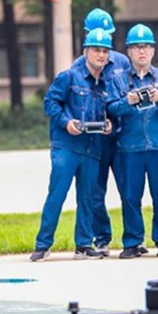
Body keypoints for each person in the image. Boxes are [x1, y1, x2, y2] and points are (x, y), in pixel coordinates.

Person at [30, 29, 114, 262]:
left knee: (88, 197)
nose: (101, 55)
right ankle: (43, 244)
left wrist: (108, 125)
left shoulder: (104, 84)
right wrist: (66, 122)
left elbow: (107, 111)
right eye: (96, 50)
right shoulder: (68, 77)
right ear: (85, 51)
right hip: (66, 146)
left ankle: (84, 245)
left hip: (92, 148)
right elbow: (50, 103)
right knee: (57, 195)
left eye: (105, 51)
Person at [106, 24, 158, 259]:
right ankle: (132, 241)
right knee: (130, 197)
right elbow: (110, 108)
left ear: (153, 51)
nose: (141, 52)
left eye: (146, 46)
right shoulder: (118, 81)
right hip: (130, 147)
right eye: (136, 47)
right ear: (128, 51)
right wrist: (127, 101)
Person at [71, 8, 131, 257]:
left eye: (108, 33)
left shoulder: (122, 62)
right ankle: (102, 238)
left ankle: (133, 239)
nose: (102, 37)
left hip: (120, 136)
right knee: (95, 192)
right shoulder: (77, 66)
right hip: (93, 139)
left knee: (129, 190)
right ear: (86, 35)